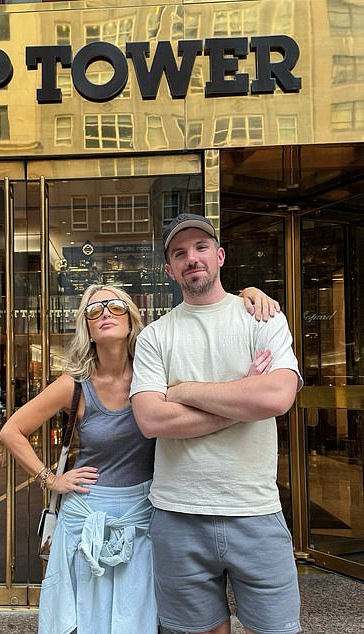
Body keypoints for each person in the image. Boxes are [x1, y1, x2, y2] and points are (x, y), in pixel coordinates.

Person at [0, 279, 278, 634]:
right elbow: (11, 431)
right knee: (88, 617)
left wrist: (246, 296)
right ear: (86, 326)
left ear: (131, 319)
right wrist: (50, 479)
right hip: (86, 515)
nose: (105, 315)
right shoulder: (75, 384)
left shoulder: (155, 372)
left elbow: (207, 380)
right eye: (94, 310)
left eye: (116, 307)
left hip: (144, 513)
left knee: (139, 615)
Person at [130, 213, 303, 634]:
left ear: (220, 255)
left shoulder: (262, 317)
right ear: (169, 270)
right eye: (180, 253)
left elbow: (277, 396)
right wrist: (242, 397)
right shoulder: (155, 336)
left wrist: (185, 391)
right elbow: (151, 419)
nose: (193, 258)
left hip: (255, 510)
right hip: (177, 513)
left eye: (201, 247)